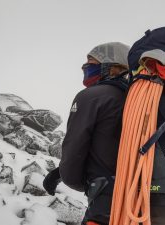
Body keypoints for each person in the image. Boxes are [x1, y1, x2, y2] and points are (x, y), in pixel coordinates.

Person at [43, 42, 130, 225]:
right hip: (139, 195)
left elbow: (75, 146)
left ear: (112, 66)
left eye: (91, 62)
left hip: (105, 196)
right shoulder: (136, 99)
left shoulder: (92, 96)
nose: (85, 67)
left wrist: (69, 177)